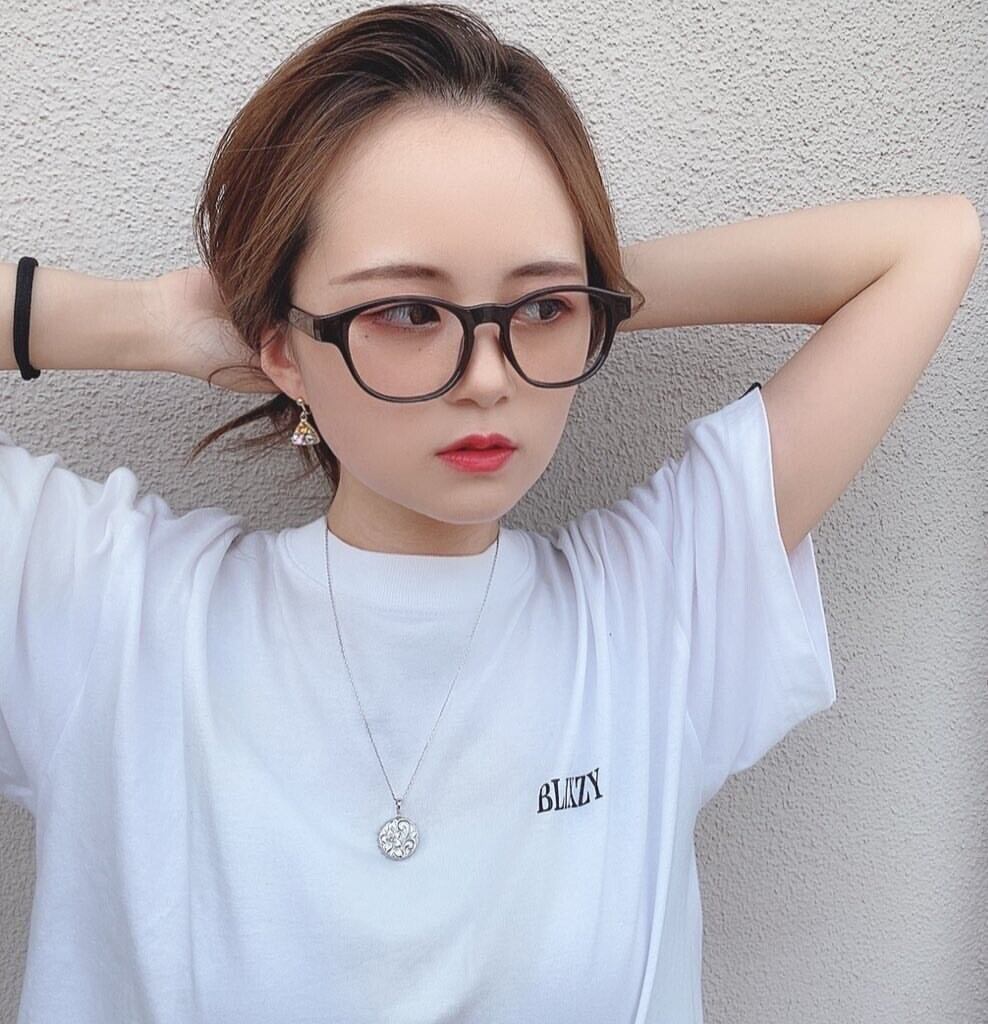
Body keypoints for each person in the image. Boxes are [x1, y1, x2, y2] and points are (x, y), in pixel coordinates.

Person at [3, 4, 980, 1023]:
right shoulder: (106, 610)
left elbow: (927, 244)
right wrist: (148, 322)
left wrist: (575, 279)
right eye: (407, 310)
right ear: (283, 348)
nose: (486, 378)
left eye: (542, 312)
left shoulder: (653, 609)